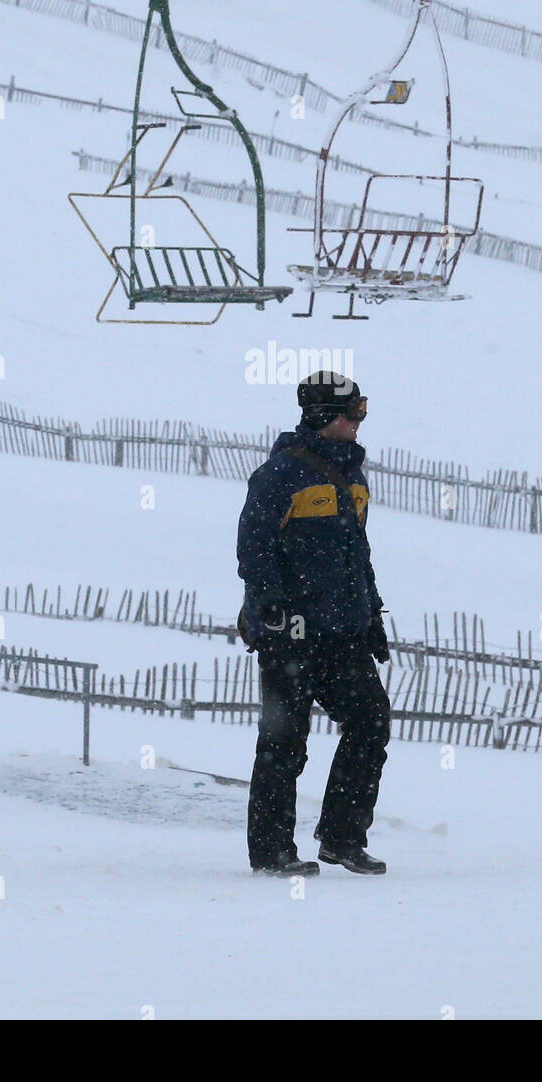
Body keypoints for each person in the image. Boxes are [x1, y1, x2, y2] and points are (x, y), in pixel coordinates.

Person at [237, 371, 391, 877]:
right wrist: (275, 607)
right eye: (352, 413)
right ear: (325, 416)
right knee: (284, 739)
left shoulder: (352, 476)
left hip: (342, 630)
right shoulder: (281, 474)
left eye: (361, 411)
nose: (358, 422)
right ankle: (271, 850)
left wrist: (371, 615)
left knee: (370, 722)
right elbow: (253, 549)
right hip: (291, 634)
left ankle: (342, 838)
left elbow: (358, 555)